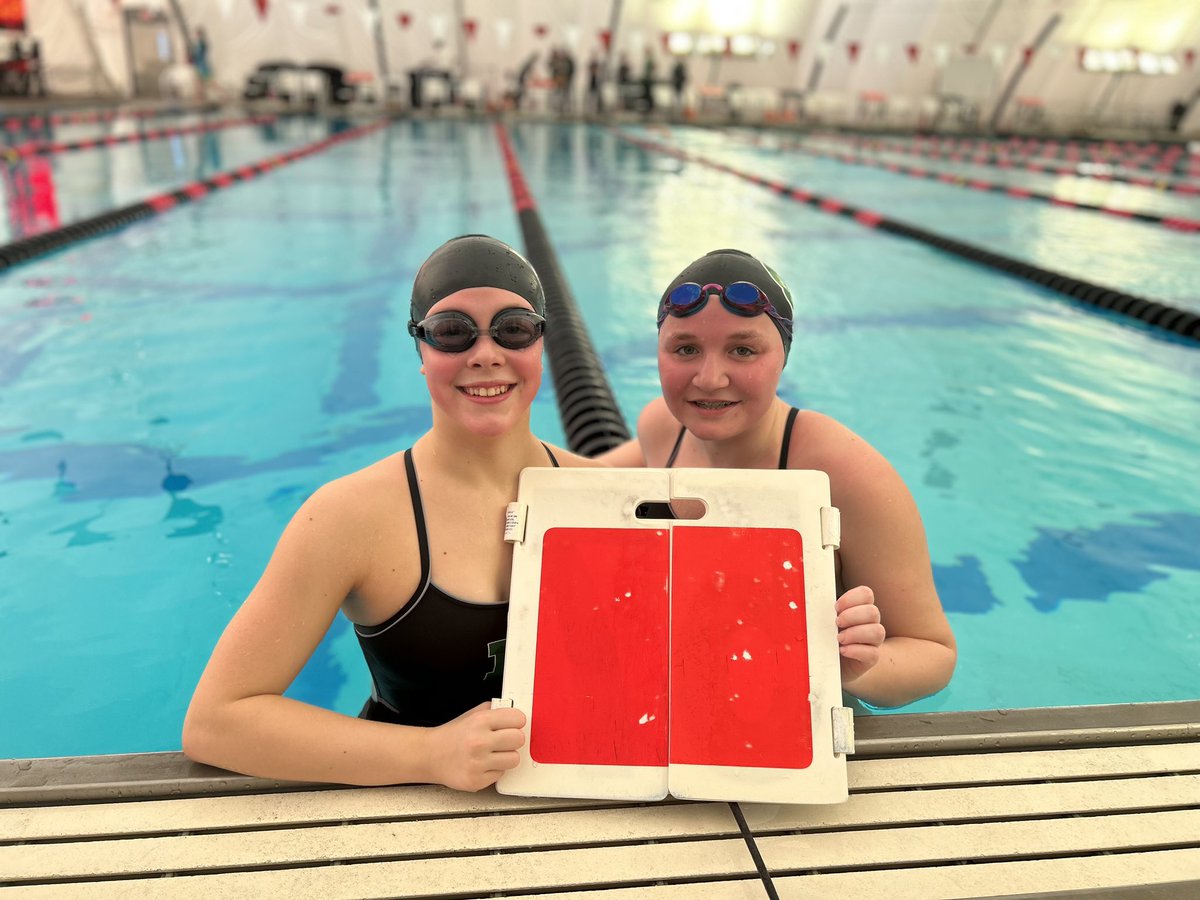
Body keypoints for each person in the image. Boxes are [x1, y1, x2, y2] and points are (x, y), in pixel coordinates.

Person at [183, 236, 598, 790]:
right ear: (421, 352)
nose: (485, 354)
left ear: (541, 343)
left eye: (513, 328)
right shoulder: (349, 516)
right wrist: (428, 754)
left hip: (577, 822)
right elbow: (216, 720)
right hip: (397, 824)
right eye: (452, 331)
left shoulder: (600, 497)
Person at [599, 249, 956, 709]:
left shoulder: (842, 472)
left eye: (742, 350)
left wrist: (851, 667)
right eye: (685, 348)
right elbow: (585, 481)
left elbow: (935, 654)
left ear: (781, 358)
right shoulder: (661, 428)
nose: (709, 379)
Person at [190, 27, 211, 103]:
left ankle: (200, 97)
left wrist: (193, 59)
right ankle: (200, 97)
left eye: (197, 34)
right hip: (200, 65)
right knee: (199, 82)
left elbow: (198, 55)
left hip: (202, 65)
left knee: (208, 82)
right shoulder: (199, 43)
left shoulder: (201, 43)